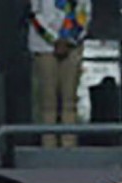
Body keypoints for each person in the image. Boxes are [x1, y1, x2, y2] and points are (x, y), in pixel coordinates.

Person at [28, 0, 90, 147]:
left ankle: (69, 146)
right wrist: (54, 39)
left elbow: (84, 12)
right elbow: (34, 14)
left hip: (73, 46)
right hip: (44, 47)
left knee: (70, 100)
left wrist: (69, 38)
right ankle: (48, 146)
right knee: (48, 101)